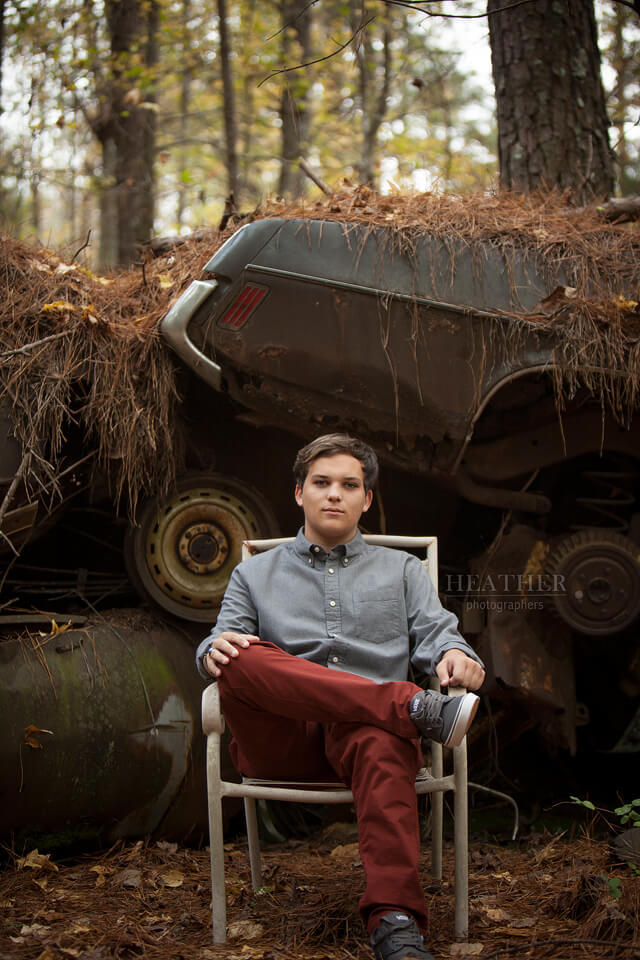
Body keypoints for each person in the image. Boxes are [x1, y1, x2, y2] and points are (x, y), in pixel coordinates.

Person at [196, 434, 485, 960]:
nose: (335, 494)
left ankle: (396, 924)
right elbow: (223, 642)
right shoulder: (253, 574)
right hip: (282, 742)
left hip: (369, 743)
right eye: (322, 483)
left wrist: (459, 657)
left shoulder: (402, 570)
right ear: (299, 493)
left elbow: (441, 635)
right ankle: (411, 707)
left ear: (366, 499)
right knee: (239, 656)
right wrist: (211, 650)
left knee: (380, 733)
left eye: (349, 485)